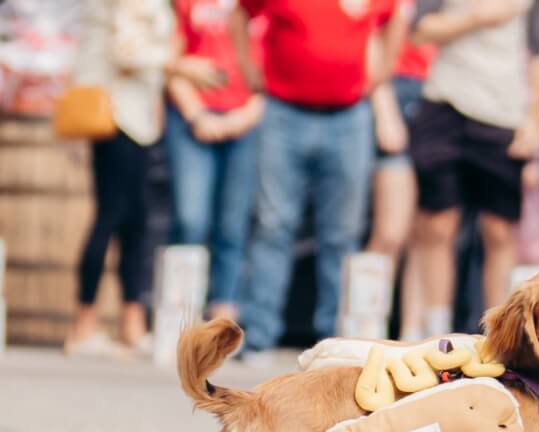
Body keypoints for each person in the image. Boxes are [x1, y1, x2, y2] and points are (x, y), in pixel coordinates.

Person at [230, 0, 400, 363]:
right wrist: (248, 68)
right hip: (284, 113)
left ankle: (334, 342)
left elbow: (396, 14)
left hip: (348, 114)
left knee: (342, 233)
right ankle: (259, 337)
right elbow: (241, 13)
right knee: (273, 225)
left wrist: (383, 70)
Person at [65, 0, 225, 357]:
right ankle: (83, 325)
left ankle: (131, 324)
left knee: (135, 221)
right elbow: (126, 50)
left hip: (140, 120)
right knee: (110, 217)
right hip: (116, 116)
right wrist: (180, 66)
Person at [409, 0, 539, 337]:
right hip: (444, 105)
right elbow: (419, 31)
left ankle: (498, 333)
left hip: (503, 114)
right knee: (437, 225)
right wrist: (478, 17)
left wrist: (533, 118)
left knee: (500, 231)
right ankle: (435, 329)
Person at [166, 0, 264, 322]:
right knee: (191, 219)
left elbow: (275, 68)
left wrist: (245, 116)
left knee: (233, 224)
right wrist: (197, 116)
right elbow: (169, 62)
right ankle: (181, 316)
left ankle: (224, 314)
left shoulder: (264, 7)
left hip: (246, 119)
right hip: (193, 116)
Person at [366, 0, 437, 340]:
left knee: (429, 231)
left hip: (443, 96)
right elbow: (370, 35)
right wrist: (384, 106)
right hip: (398, 88)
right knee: (390, 232)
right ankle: (367, 327)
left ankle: (414, 333)